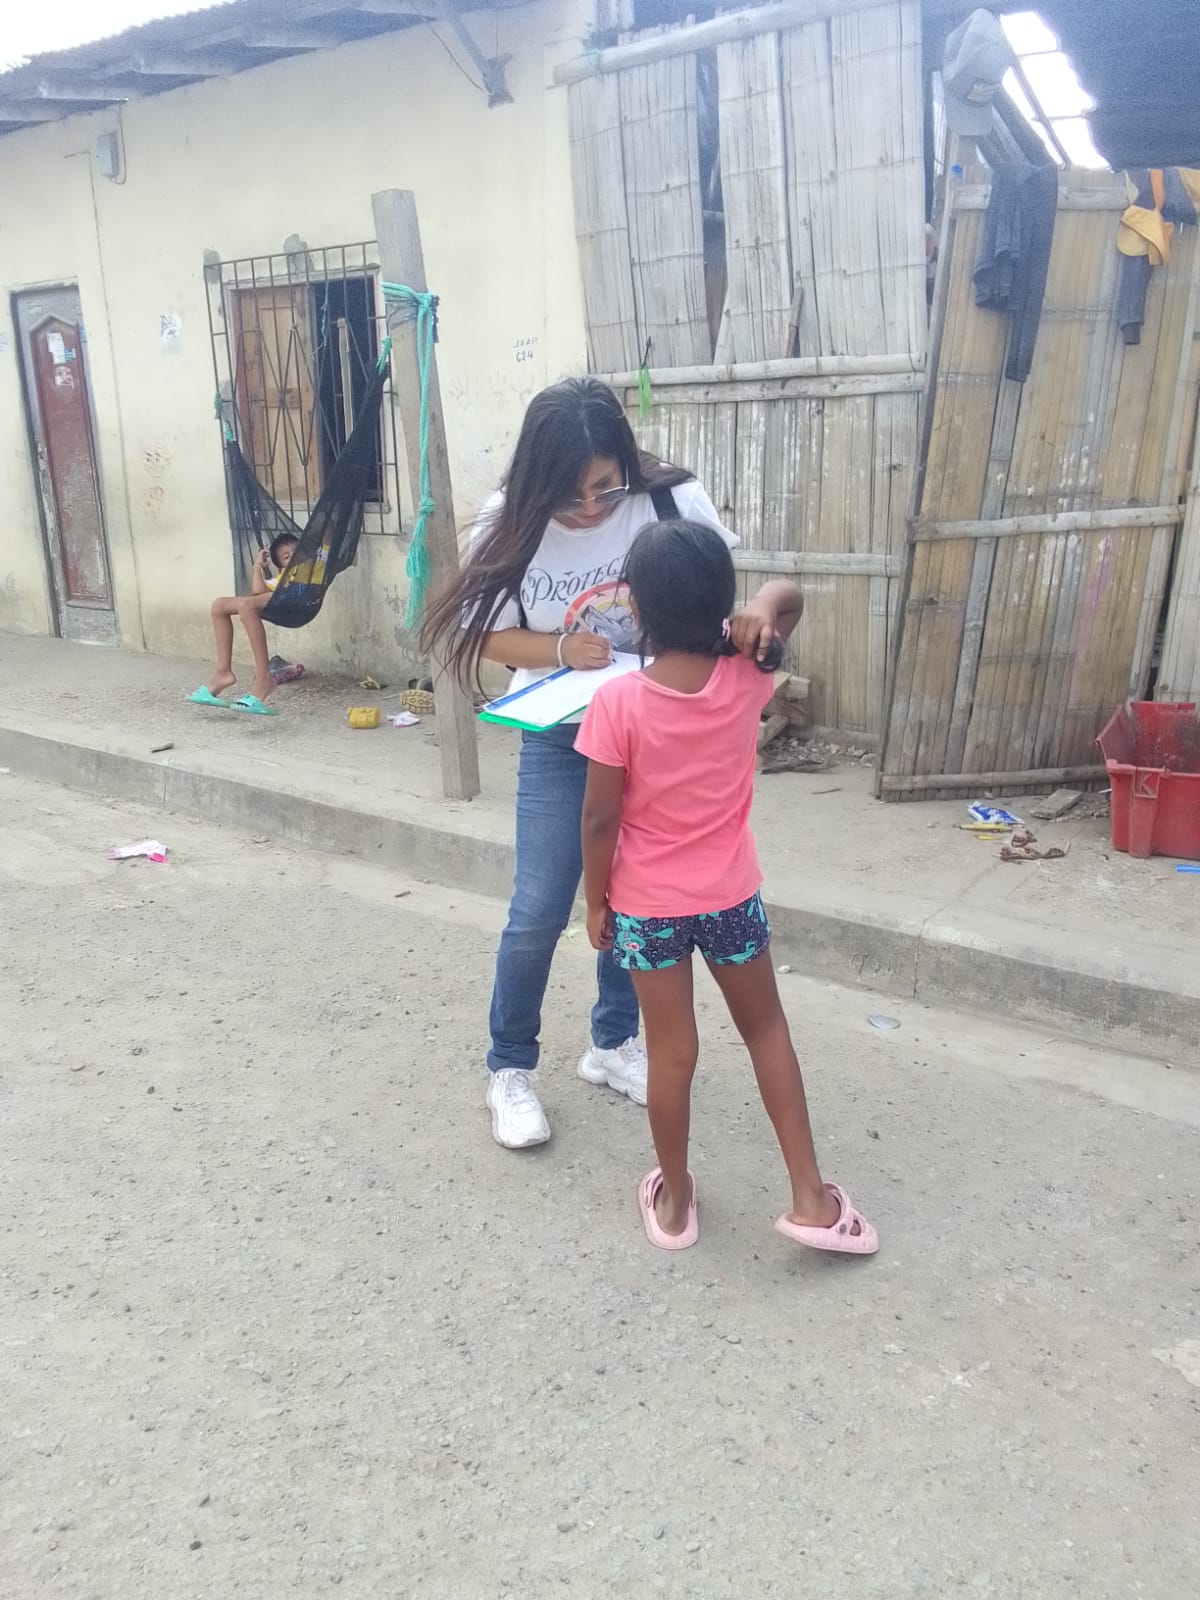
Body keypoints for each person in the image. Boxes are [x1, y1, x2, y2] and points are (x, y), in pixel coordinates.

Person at [420, 378, 736, 1149]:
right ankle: (509, 1068)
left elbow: (717, 597)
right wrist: (561, 648)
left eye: (606, 487)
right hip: (561, 735)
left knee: (636, 899)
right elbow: (486, 634)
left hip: (654, 735)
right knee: (540, 904)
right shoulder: (509, 522)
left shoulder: (669, 501)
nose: (592, 509)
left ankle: (612, 1043)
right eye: (570, 495)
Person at [576, 519, 878, 1256]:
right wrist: (762, 613)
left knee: (671, 1052)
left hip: (647, 908)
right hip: (730, 898)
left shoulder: (617, 703)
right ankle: (810, 1198)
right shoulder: (746, 677)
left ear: (637, 609)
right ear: (723, 604)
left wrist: (596, 901)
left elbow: (599, 818)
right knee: (766, 1029)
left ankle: (676, 1202)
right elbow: (790, 596)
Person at [187, 533, 297, 715]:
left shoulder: (312, 565)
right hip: (278, 597)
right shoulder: (281, 578)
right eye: (287, 556)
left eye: (296, 551)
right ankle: (222, 673)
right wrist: (257, 566)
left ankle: (264, 679)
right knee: (219, 606)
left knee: (247, 606)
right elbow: (257, 591)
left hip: (298, 599)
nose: (293, 556)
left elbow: (326, 542)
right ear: (280, 567)